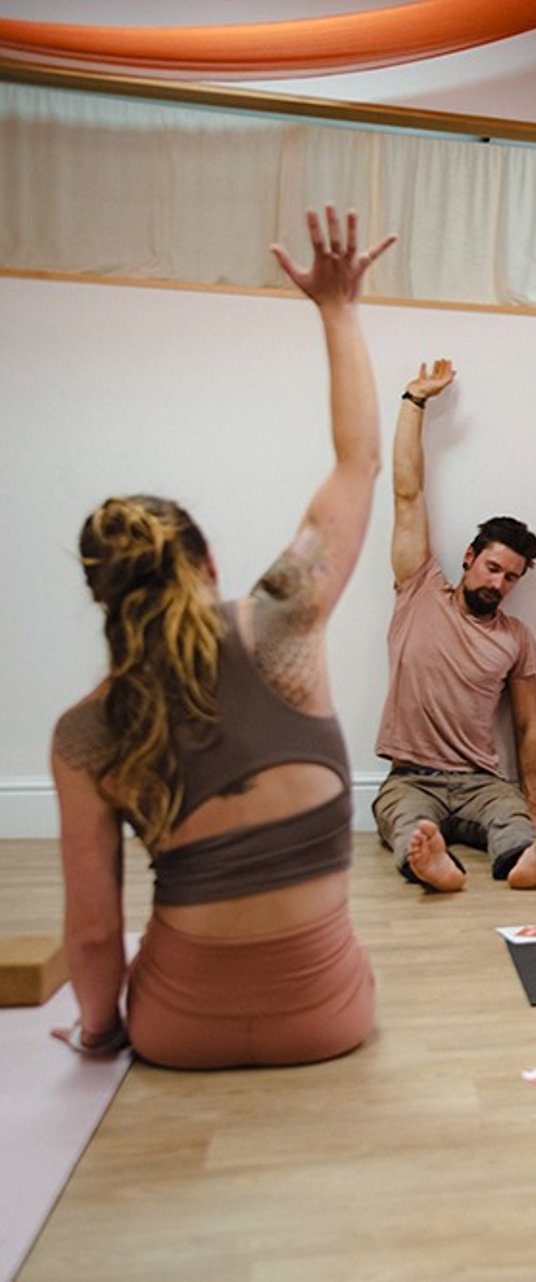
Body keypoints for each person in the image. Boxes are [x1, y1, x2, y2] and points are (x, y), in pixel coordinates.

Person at [49, 207, 391, 1068]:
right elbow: (358, 466)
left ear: (101, 596)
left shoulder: (84, 734)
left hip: (176, 1034)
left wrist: (100, 1035)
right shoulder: (283, 618)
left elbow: (92, 940)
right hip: (329, 1021)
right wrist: (338, 310)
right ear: (206, 560)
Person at [369, 360, 536, 891]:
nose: (499, 583)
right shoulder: (418, 590)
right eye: (492, 568)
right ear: (468, 557)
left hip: (481, 781)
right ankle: (435, 865)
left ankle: (525, 863)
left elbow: (529, 726)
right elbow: (407, 495)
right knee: (407, 824)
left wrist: (532, 806)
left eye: (511, 577)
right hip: (411, 776)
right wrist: (414, 401)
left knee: (509, 821)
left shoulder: (515, 638)